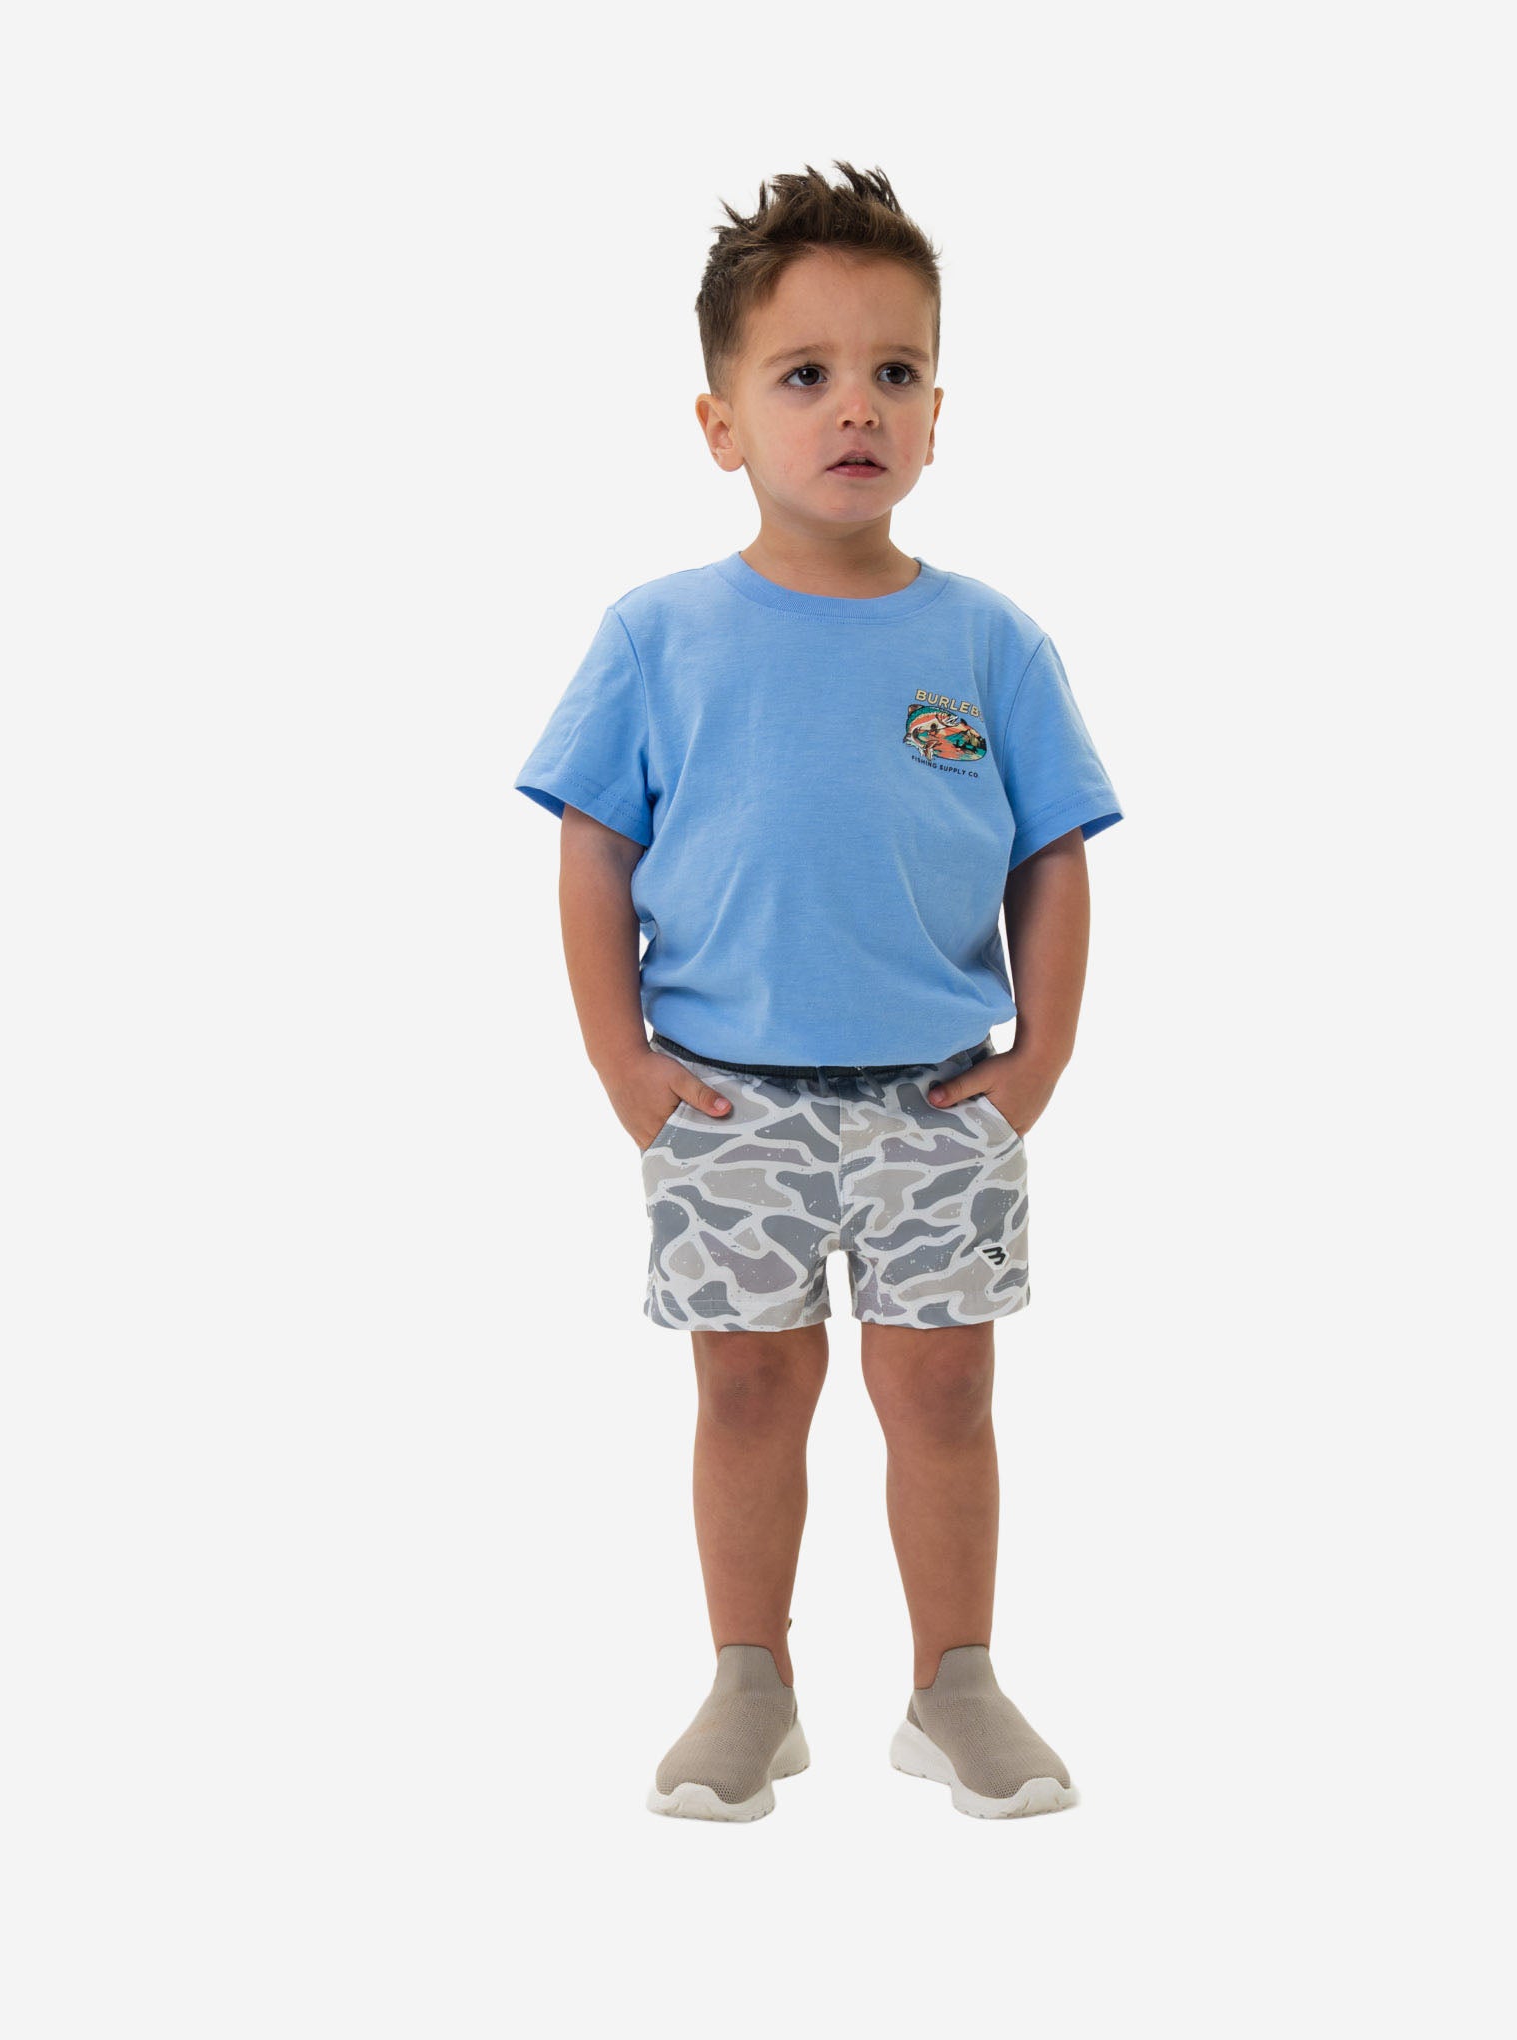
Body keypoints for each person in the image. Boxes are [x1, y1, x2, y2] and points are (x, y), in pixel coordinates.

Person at [512, 161, 1124, 1821]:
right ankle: (750, 1685)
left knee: (945, 1390)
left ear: (937, 414)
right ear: (721, 423)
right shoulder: (657, 635)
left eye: (894, 370)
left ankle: (954, 1684)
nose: (856, 405)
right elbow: (591, 849)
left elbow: (1054, 854)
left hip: (938, 1095)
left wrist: (1040, 1060)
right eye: (805, 374)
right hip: (727, 1096)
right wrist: (624, 1065)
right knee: (746, 1388)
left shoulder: (990, 643)